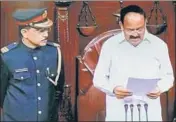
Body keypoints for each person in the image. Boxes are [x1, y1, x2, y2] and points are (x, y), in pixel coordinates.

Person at [93, 5, 174, 121]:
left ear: (145, 22)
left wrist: (159, 88)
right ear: (121, 25)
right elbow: (98, 79)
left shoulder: (159, 45)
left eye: (140, 29)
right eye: (130, 30)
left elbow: (168, 77)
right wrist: (113, 89)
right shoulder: (109, 45)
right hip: (118, 113)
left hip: (150, 113)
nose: (135, 34)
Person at [0, 8, 65, 121]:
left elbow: (58, 89)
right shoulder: (7, 56)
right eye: (40, 31)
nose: (46, 34)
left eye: (47, 30)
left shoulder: (54, 52)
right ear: (24, 33)